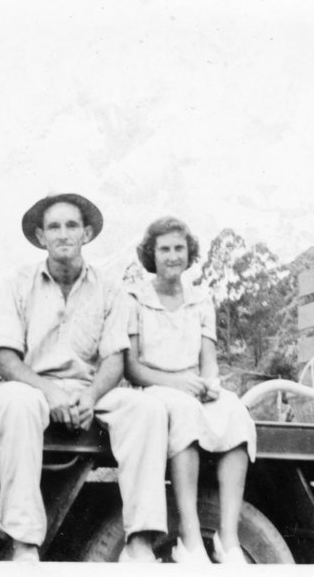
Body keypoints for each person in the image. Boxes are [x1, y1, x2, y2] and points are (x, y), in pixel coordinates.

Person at [0, 193, 169, 563]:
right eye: (53, 226)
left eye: (72, 225)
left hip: (90, 390)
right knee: (15, 404)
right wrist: (50, 392)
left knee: (147, 409)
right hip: (31, 386)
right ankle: (24, 543)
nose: (63, 234)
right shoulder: (16, 283)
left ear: (86, 233)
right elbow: (7, 359)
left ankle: (140, 540)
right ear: (41, 237)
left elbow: (114, 359)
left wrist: (89, 397)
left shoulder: (109, 288)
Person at [124, 216, 257, 564]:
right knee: (182, 411)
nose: (172, 256)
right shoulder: (135, 297)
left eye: (178, 248)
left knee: (234, 411)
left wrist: (210, 385)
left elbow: (208, 360)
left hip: (192, 386)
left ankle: (228, 538)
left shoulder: (201, 299)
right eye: (164, 249)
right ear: (151, 254)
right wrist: (177, 384)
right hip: (155, 388)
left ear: (189, 252)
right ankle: (190, 534)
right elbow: (133, 367)